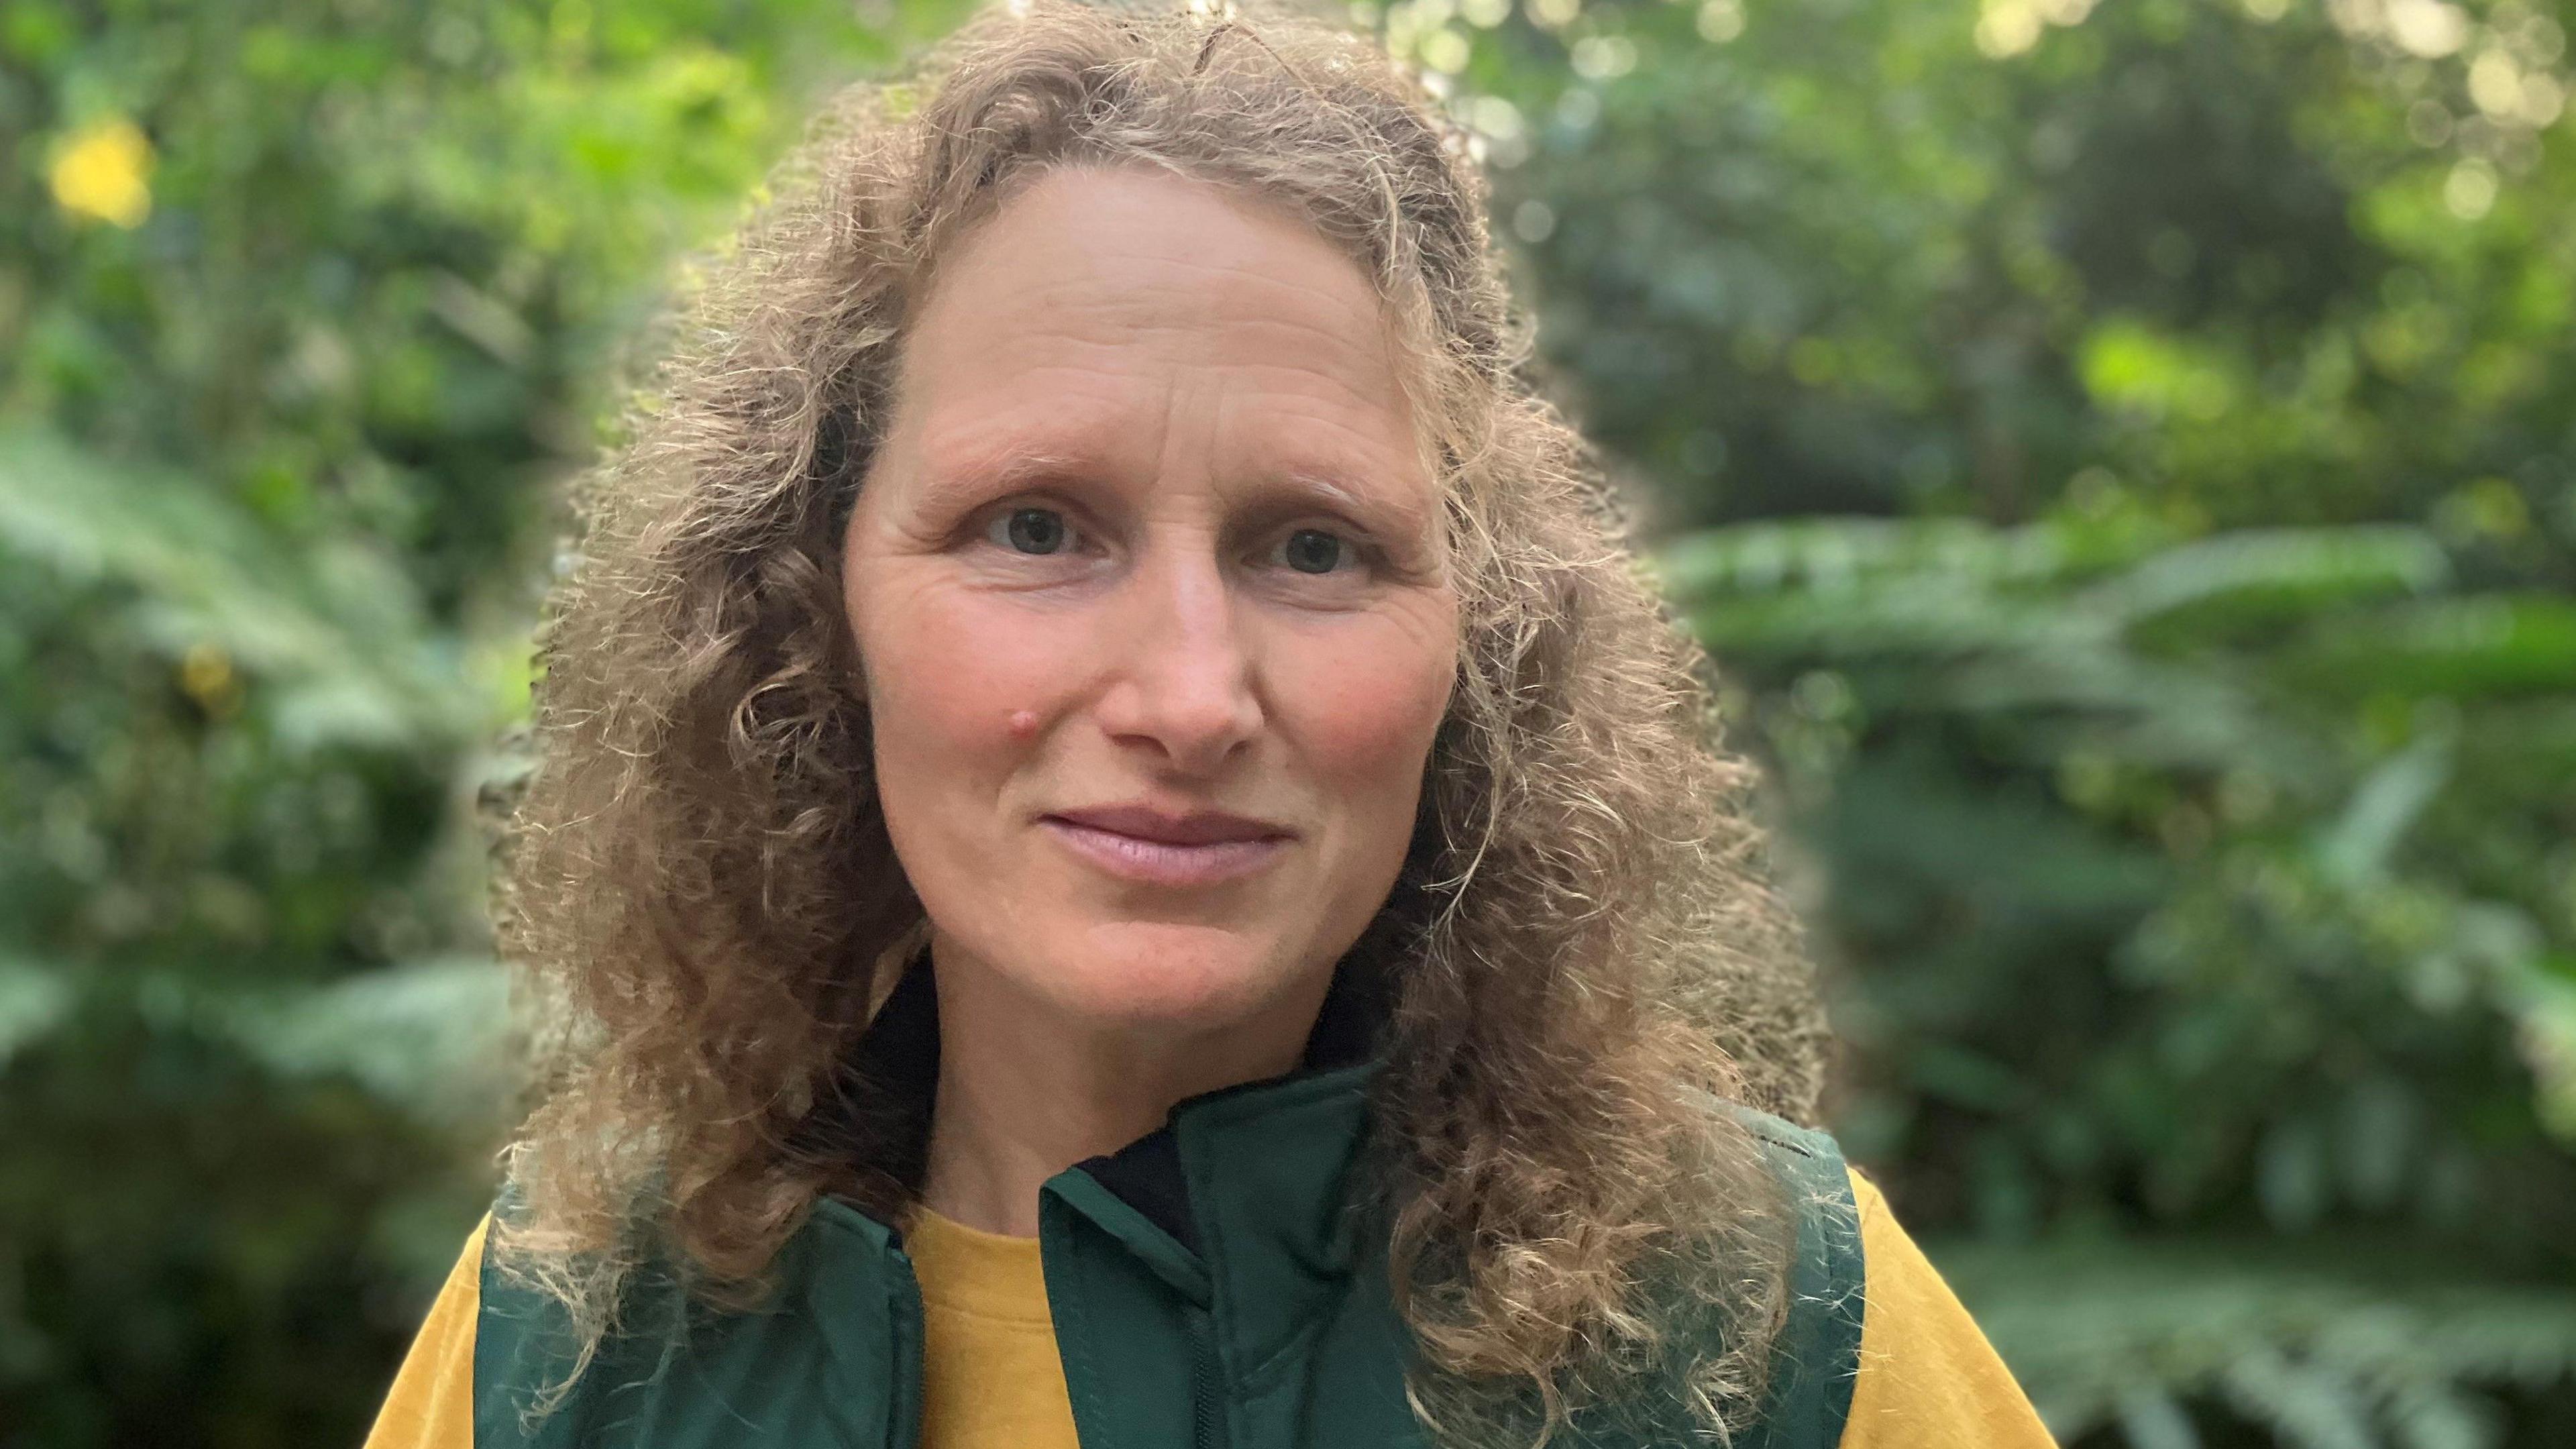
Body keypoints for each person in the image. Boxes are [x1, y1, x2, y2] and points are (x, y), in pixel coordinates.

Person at [362, 2, 2057, 1446]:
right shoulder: (573, 1338)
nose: (1188, 697)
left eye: (1314, 549)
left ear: (1485, 646)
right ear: (815, 610)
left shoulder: (1757, 1334)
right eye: (1035, 528)